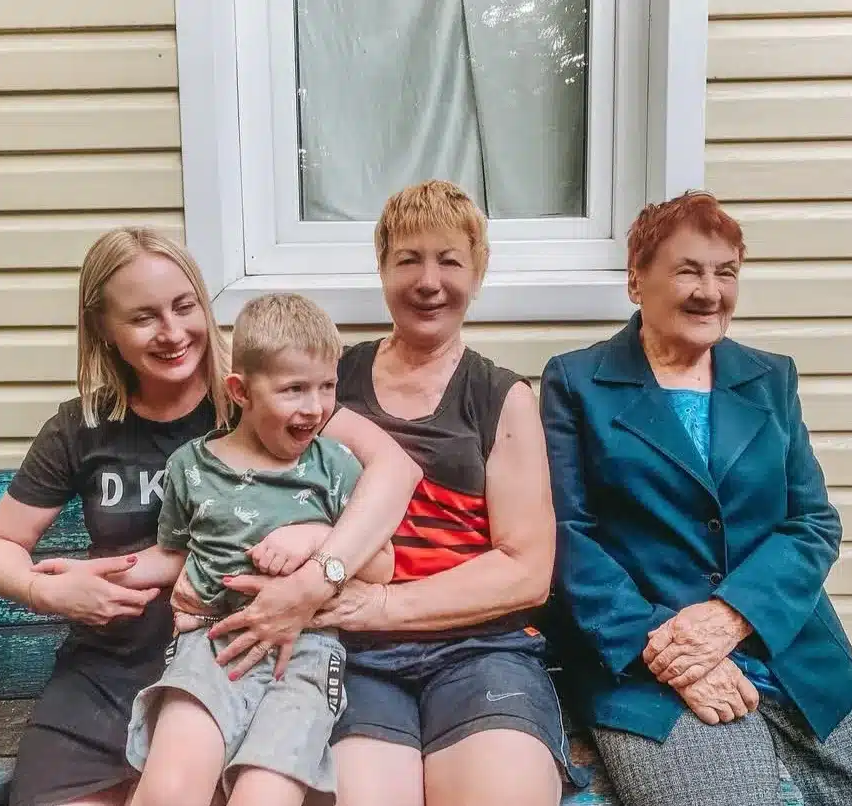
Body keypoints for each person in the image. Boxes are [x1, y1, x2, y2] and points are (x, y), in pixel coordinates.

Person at [173, 180, 587, 806]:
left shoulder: (501, 397)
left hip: (481, 650)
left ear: (478, 271)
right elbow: (254, 482)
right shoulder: (331, 383)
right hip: (349, 656)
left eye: (449, 260)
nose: (429, 281)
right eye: (408, 260)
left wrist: (376, 604)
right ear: (383, 269)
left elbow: (525, 573)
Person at [0, 228, 420, 806]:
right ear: (104, 329)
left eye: (185, 307)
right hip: (109, 670)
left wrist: (317, 574)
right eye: (143, 318)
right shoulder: (80, 427)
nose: (173, 332)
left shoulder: (262, 400)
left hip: (242, 653)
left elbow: (394, 472)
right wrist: (45, 590)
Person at [540, 191, 852, 806]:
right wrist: (672, 649)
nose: (710, 291)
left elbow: (811, 524)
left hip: (788, 650)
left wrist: (731, 616)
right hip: (648, 663)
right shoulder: (577, 382)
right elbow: (569, 534)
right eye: (687, 270)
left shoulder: (769, 377)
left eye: (725, 272)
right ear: (635, 281)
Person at [117, 293, 395, 806]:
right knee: (168, 788)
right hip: (210, 648)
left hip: (304, 660)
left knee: (263, 796)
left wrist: (316, 536)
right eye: (293, 389)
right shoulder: (191, 467)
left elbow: (383, 565)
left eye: (327, 386)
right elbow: (173, 554)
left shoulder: (334, 467)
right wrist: (96, 577)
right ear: (241, 391)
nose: (314, 407)